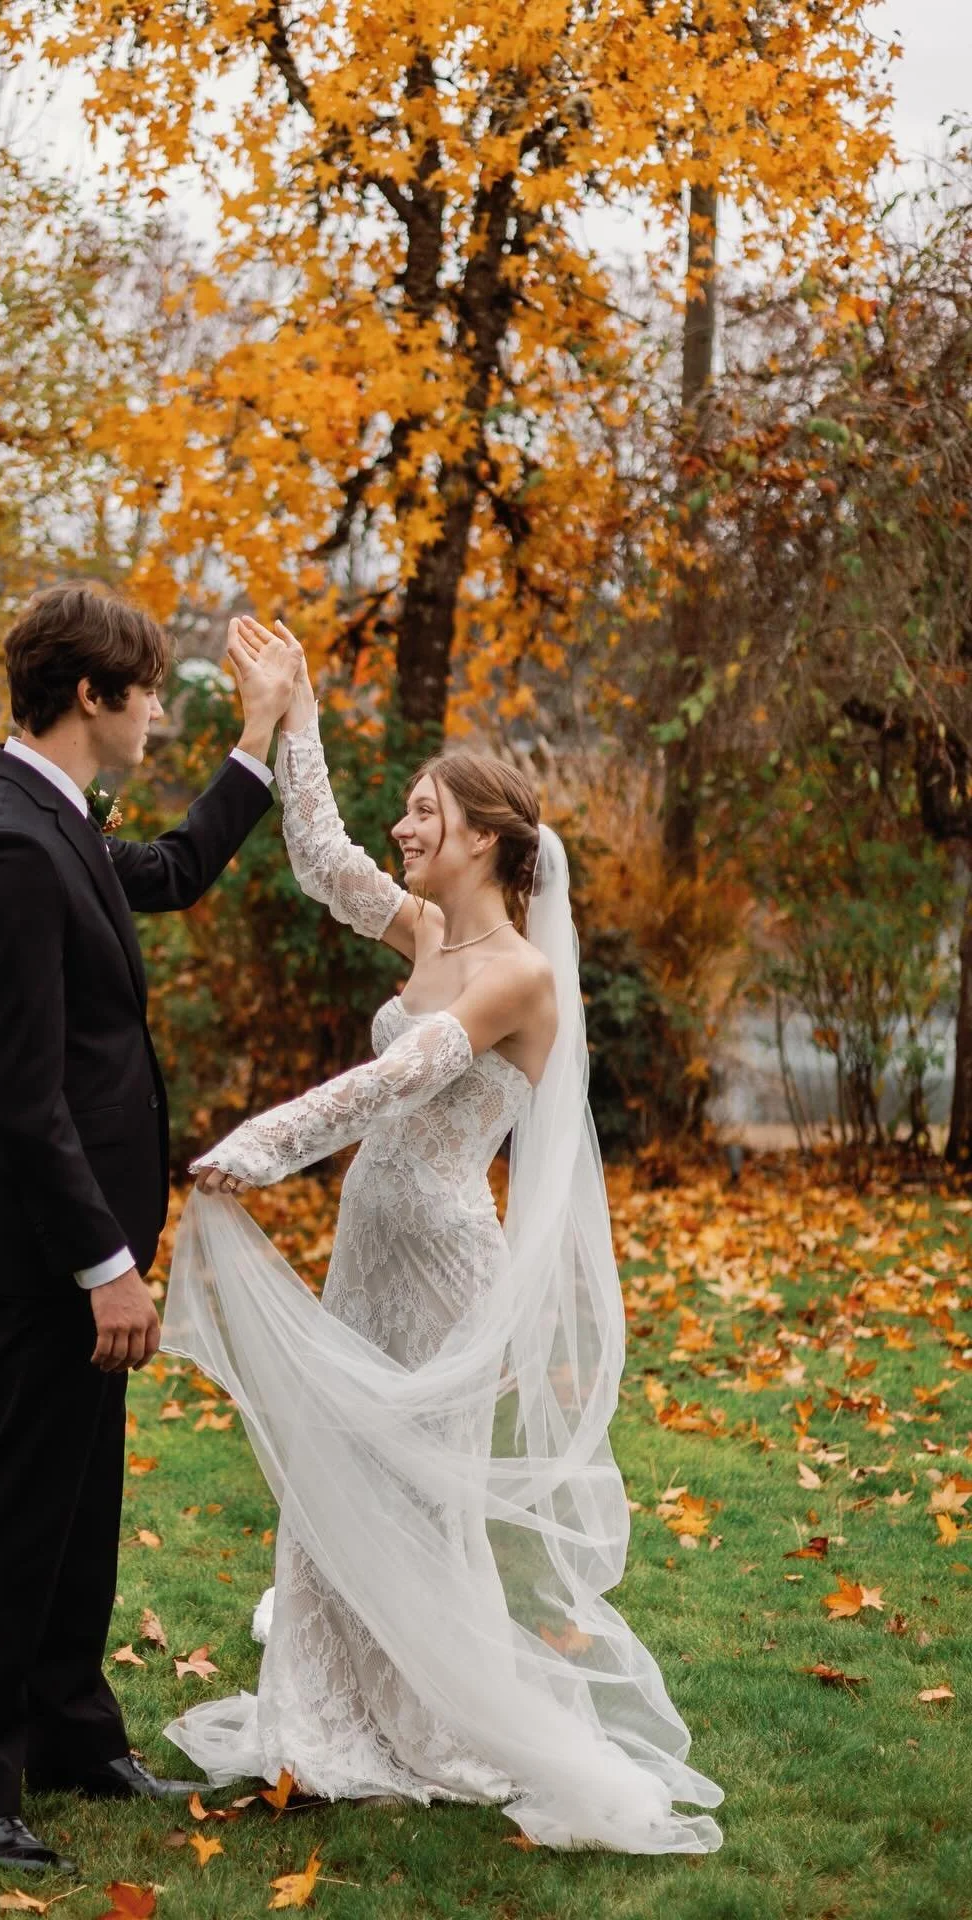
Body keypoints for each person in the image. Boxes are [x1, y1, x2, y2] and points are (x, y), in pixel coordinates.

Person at [160, 620, 724, 1854]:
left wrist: (256, 1147)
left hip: (446, 1263)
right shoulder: (427, 932)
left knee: (417, 1502)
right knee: (328, 1476)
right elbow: (320, 859)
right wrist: (293, 712)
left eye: (422, 813)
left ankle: (429, 1721)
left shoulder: (518, 974)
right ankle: (315, 1712)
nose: (405, 831)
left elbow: (403, 1075)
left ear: (482, 836)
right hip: (368, 1243)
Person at [0, 583, 299, 1875]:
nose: (156, 718)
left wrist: (264, 741)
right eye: (148, 696)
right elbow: (26, 1101)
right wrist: (106, 1269)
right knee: (19, 1511)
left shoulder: (57, 816)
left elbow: (179, 873)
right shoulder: (11, 843)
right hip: (47, 1252)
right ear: (93, 696)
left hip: (91, 1247)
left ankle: (72, 1736)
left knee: (81, 1506)